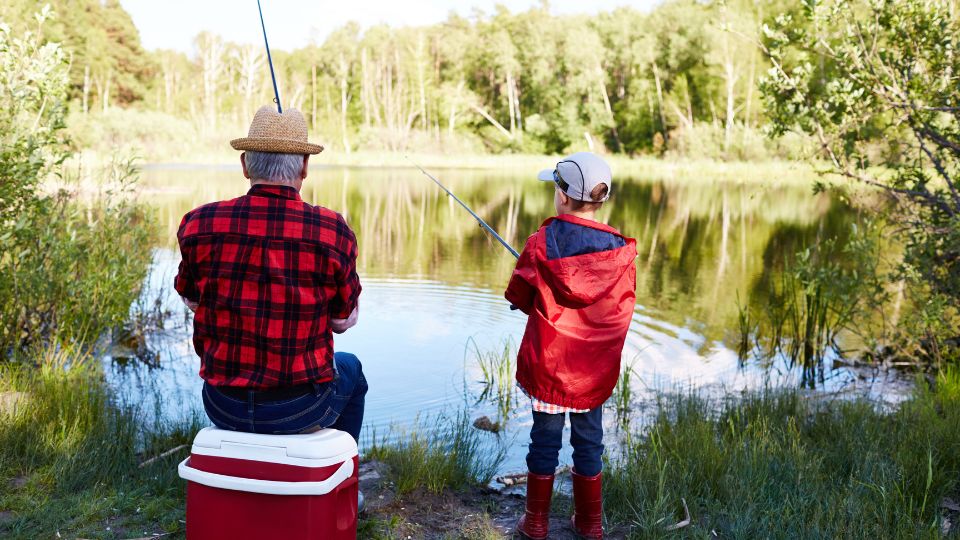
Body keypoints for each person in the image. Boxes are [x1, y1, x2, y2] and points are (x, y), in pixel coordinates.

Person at [174, 105, 367, 443]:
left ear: (245, 164)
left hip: (222, 404)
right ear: (305, 167)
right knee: (352, 370)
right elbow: (342, 321)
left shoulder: (199, 223)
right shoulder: (332, 230)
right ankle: (341, 475)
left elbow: (190, 297)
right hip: (300, 407)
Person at [505, 152, 637, 540]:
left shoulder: (540, 242)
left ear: (563, 196)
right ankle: (591, 525)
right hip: (592, 371)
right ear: (601, 199)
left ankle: (536, 523)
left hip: (550, 367)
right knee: (589, 442)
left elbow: (519, 296)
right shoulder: (620, 252)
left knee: (543, 441)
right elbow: (621, 311)